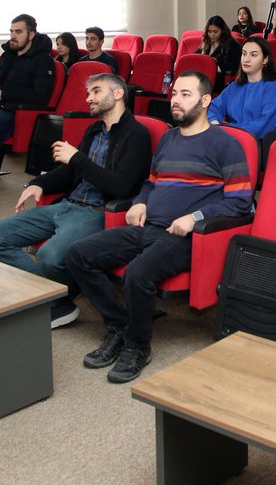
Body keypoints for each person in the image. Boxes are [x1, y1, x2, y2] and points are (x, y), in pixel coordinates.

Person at [64, 71, 252, 383]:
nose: (175, 100)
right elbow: (152, 183)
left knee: (138, 273)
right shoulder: (167, 139)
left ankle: (137, 346)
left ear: (206, 101)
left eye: (186, 95)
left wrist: (195, 218)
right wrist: (140, 200)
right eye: (175, 93)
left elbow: (240, 201)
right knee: (79, 254)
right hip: (147, 225)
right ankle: (120, 325)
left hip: (184, 237)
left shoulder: (226, 145)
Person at [0, 73, 150, 328]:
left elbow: (121, 186)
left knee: (49, 256)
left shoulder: (137, 134)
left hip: (96, 211)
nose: (88, 98)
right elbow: (71, 172)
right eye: (88, 93)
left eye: (95, 91)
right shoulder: (95, 129)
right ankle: (56, 300)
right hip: (66, 204)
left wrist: (76, 158)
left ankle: (48, 298)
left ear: (117, 94)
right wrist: (39, 184)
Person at [0, 14, 56, 191]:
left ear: (31, 35)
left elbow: (40, 96)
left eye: (18, 31)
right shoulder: (8, 56)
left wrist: (3, 95)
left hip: (15, 112)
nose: (13, 35)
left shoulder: (43, 60)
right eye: (11, 31)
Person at [207, 38, 276, 138]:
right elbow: (213, 108)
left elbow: (264, 125)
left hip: (256, 143)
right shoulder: (234, 86)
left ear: (265, 59)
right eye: (244, 53)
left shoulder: (274, 89)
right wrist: (215, 124)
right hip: (228, 138)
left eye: (253, 55)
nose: (246, 59)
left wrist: (227, 132)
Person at [198, 15, 241, 91]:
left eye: (215, 32)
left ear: (222, 31)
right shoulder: (207, 43)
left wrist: (215, 64)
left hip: (222, 81)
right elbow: (194, 57)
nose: (212, 35)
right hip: (204, 77)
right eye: (209, 31)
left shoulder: (232, 44)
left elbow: (234, 67)